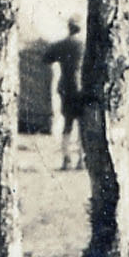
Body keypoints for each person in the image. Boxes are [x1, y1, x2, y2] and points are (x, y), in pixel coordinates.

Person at [43, 17, 85, 171]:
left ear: (69, 27)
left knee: (67, 124)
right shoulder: (84, 45)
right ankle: (81, 159)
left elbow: (46, 58)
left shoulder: (62, 45)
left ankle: (66, 159)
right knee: (83, 126)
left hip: (66, 88)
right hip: (82, 89)